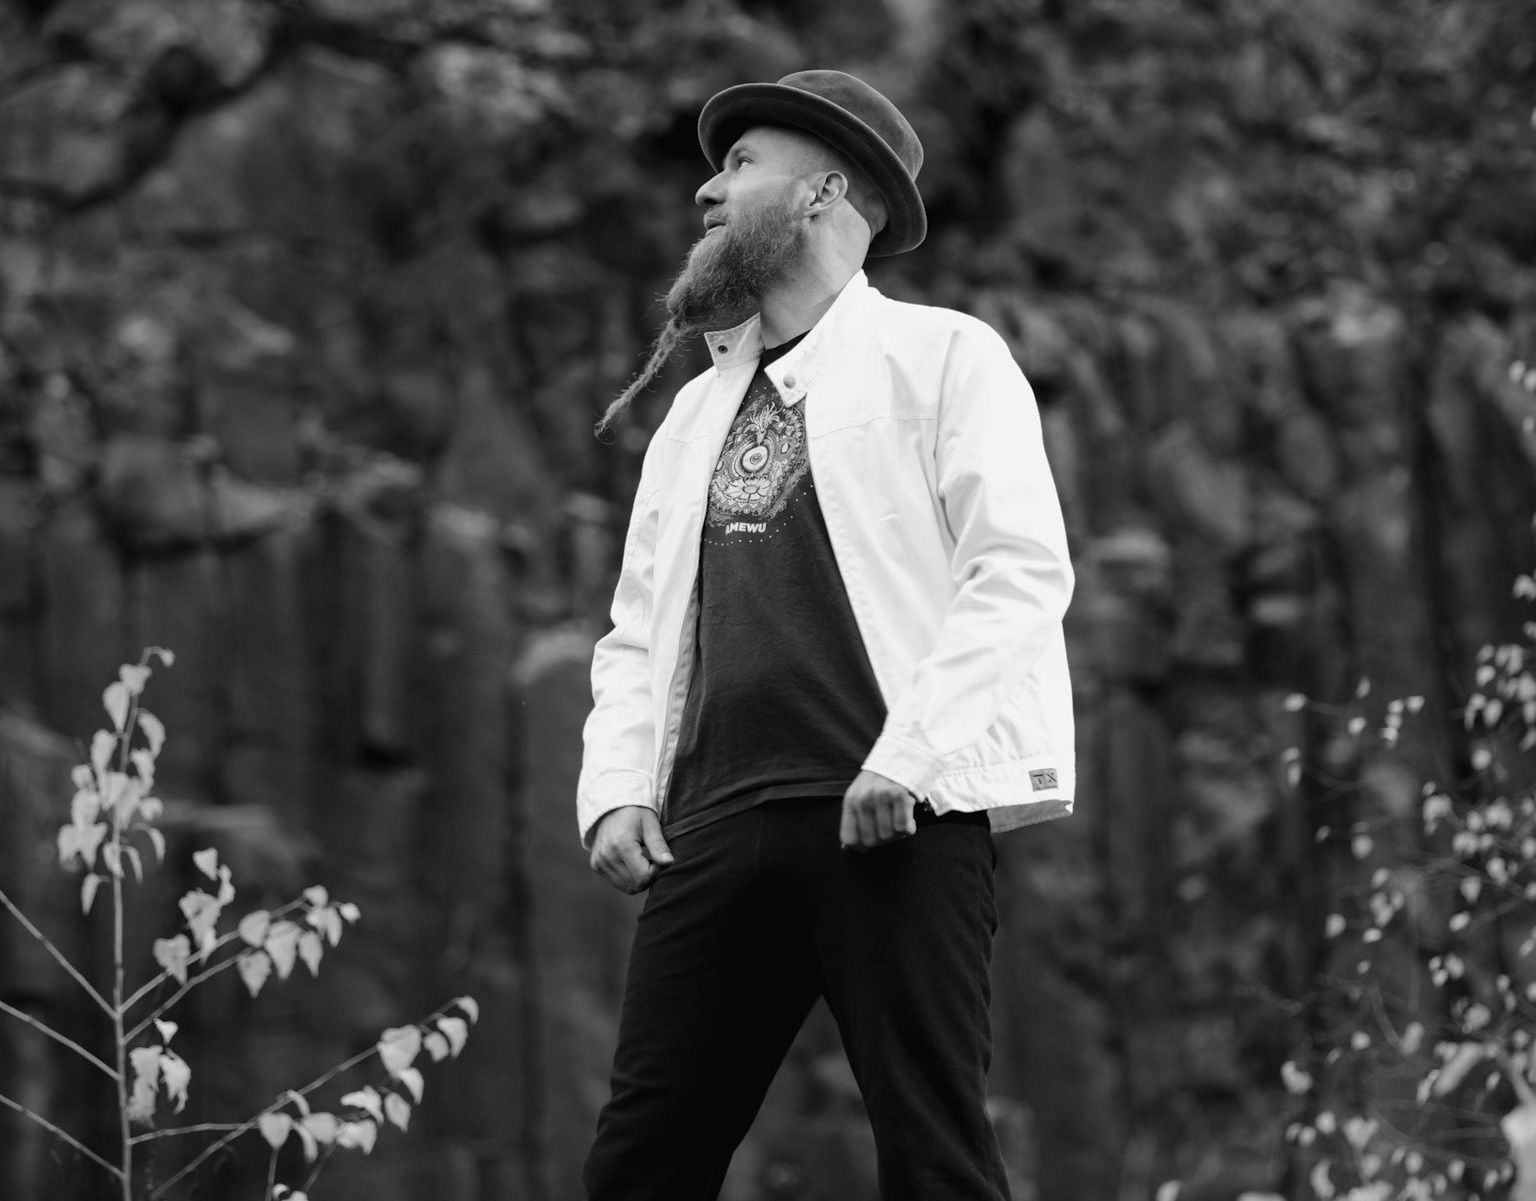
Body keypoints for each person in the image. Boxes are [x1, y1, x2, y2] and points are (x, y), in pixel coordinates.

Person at [576, 69, 1075, 1201]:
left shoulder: (945, 356)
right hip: (707, 827)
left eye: (741, 164)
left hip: (892, 817)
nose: (707, 190)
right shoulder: (691, 414)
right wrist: (616, 788)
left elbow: (1019, 570)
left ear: (824, 191)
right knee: (639, 1165)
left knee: (935, 1157)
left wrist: (913, 755)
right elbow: (634, 630)